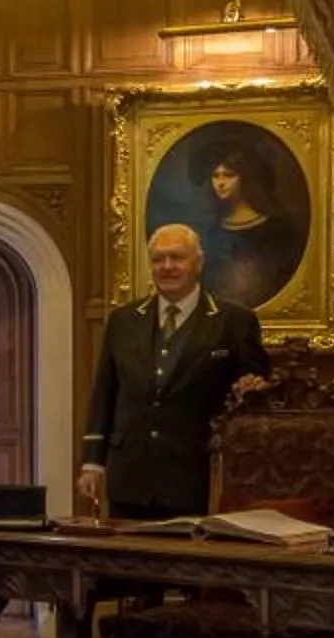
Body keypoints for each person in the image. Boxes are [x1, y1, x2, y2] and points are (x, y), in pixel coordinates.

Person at [78, 224, 271, 521]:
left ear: (199, 263)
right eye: (158, 259)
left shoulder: (234, 322)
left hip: (195, 479)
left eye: (177, 258)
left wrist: (252, 392)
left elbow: (253, 402)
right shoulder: (123, 320)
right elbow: (105, 392)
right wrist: (92, 463)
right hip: (129, 480)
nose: (167, 267)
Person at [193, 144, 305, 309]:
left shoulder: (278, 229)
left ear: (246, 178)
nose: (220, 183)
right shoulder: (208, 229)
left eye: (229, 175)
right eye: (215, 176)